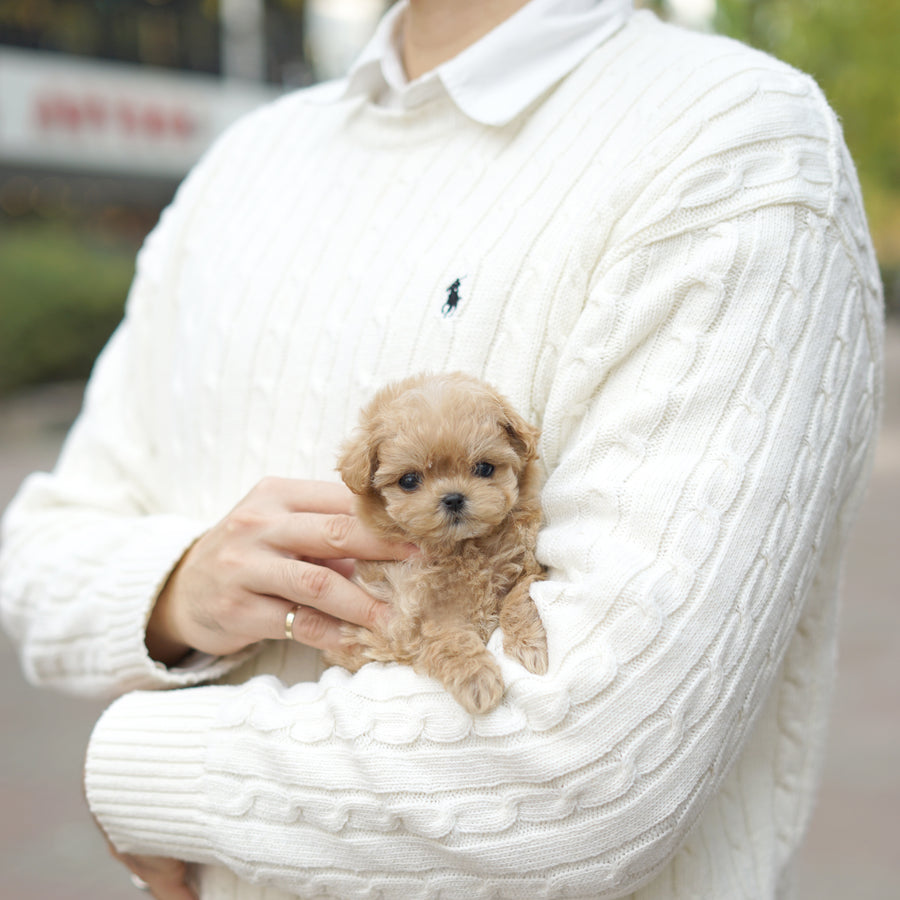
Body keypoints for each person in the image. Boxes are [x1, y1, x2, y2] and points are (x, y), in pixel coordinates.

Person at [0, 0, 885, 897]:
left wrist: (147, 768)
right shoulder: (239, 165)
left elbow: (589, 764)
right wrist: (179, 587)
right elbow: (35, 551)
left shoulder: (737, 146)